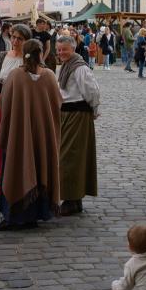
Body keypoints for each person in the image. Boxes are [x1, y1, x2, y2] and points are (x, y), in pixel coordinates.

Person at [0, 39, 62, 231]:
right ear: (41, 53)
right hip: (42, 135)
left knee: (17, 167)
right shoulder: (49, 76)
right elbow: (58, 103)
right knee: (40, 167)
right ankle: (36, 213)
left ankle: (14, 216)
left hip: (19, 134)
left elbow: (3, 103)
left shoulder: (16, 76)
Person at [0, 23, 30, 201]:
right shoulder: (3, 56)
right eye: (13, 37)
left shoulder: (29, 59)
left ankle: (15, 186)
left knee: (17, 144)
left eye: (20, 38)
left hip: (20, 104)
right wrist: (3, 89)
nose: (15, 41)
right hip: (0, 103)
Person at [55, 35, 100, 216]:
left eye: (64, 49)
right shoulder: (66, 66)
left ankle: (72, 200)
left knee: (70, 158)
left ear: (72, 49)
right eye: (58, 49)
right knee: (69, 157)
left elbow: (92, 91)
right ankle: (73, 198)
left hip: (77, 115)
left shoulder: (80, 67)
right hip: (66, 114)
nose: (61, 53)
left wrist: (94, 110)